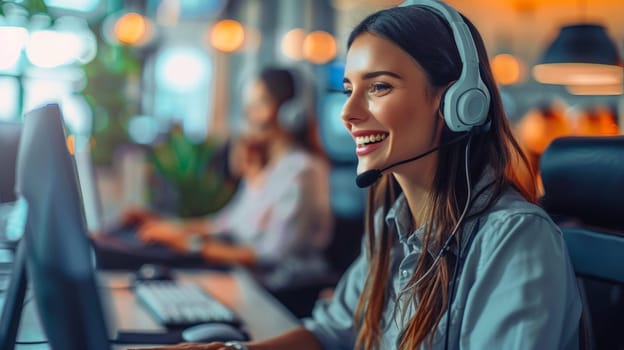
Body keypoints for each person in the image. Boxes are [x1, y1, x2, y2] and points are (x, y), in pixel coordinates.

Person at [139, 1, 581, 349]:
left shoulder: (517, 240)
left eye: (379, 87)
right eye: (349, 89)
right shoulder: (391, 224)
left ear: (458, 104)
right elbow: (333, 331)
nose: (348, 113)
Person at [135, 66, 333, 289]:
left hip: (278, 290)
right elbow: (227, 224)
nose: (250, 115)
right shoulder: (270, 168)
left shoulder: (303, 171)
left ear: (291, 112)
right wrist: (167, 225)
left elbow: (269, 256)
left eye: (260, 104)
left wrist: (190, 244)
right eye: (249, 106)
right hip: (248, 282)